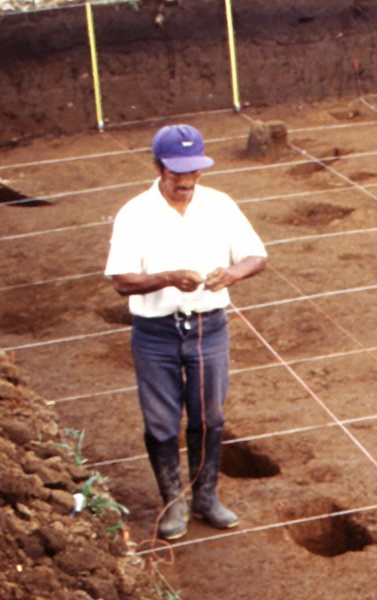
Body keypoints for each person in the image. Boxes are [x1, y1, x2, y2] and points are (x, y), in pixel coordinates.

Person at [105, 124, 267, 542]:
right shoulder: (135, 214)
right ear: (158, 166)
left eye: (194, 171)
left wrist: (231, 273)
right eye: (178, 172)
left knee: (209, 416)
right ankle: (172, 501)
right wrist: (167, 279)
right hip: (155, 332)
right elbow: (121, 280)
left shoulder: (220, 205)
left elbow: (256, 256)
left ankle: (206, 497)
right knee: (161, 421)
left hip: (208, 329)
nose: (187, 181)